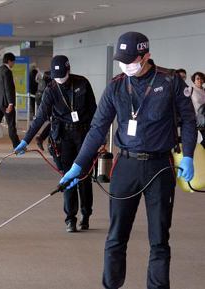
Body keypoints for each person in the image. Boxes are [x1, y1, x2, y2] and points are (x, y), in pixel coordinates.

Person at [60, 32, 196, 289]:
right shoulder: (116, 86)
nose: (126, 64)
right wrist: (77, 166)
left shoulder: (170, 81)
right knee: (116, 236)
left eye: (131, 59)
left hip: (160, 166)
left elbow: (189, 120)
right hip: (126, 166)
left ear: (146, 55)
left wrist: (187, 155)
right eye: (121, 60)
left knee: (159, 238)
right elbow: (98, 128)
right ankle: (111, 285)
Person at [14, 55, 98, 232]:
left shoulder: (83, 83)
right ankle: (70, 219)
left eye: (62, 75)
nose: (60, 79)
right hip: (63, 136)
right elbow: (40, 118)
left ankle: (86, 215)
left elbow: (95, 112)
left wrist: (99, 137)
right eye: (56, 76)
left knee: (84, 178)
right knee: (68, 177)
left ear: (69, 69)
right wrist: (25, 140)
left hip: (84, 135)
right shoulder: (51, 90)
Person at [189, 72, 205, 144]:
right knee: (195, 140)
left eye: (201, 78)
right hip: (194, 119)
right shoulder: (191, 89)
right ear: (194, 80)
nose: (200, 80)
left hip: (204, 119)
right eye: (197, 78)